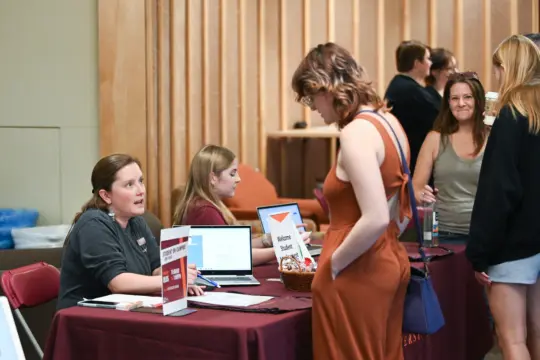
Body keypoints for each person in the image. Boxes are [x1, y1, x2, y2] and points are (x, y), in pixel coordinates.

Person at [292, 42, 410, 360]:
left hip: (358, 270)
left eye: (310, 96)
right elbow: (401, 210)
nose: (312, 106)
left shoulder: (356, 133)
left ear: (326, 87)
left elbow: (374, 217)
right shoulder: (389, 122)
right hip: (388, 258)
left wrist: (332, 266)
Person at [466, 34, 540, 359]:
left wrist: (480, 252)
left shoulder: (511, 115)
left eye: (498, 67)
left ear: (509, 67)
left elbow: (498, 191)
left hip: (512, 246)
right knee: (537, 332)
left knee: (512, 339)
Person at [58, 154, 204, 310]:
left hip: (127, 309)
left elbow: (155, 268)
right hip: (85, 318)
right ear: (106, 195)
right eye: (129, 185)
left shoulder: (137, 221)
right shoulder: (93, 224)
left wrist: (177, 275)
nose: (140, 190)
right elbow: (118, 282)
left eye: (141, 181)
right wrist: (171, 279)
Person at [172, 145, 310, 266]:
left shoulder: (203, 204)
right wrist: (286, 247)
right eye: (232, 173)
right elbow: (236, 256)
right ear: (213, 178)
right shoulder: (204, 211)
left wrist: (269, 239)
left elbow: (233, 246)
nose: (238, 179)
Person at [413, 72, 488, 243]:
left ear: (478, 100)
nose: (461, 103)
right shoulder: (435, 138)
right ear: (448, 103)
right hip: (442, 232)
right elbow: (416, 189)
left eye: (467, 97)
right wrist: (422, 194)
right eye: (454, 98)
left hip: (485, 233)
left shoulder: (494, 137)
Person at [385, 40, 440, 176]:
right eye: (427, 59)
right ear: (417, 63)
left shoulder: (400, 84)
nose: (430, 63)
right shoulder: (411, 91)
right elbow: (441, 119)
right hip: (413, 161)